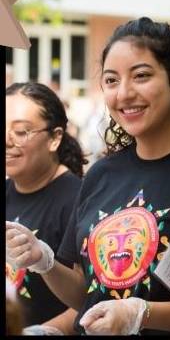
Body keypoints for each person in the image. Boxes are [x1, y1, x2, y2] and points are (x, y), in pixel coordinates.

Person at [6, 17, 170, 336]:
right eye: (111, 81)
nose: (124, 93)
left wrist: (140, 312)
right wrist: (43, 260)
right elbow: (85, 294)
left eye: (141, 76)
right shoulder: (101, 174)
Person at [6, 82, 88, 335]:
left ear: (55, 138)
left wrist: (42, 331)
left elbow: (89, 298)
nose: (7, 141)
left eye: (20, 131)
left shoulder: (78, 200)